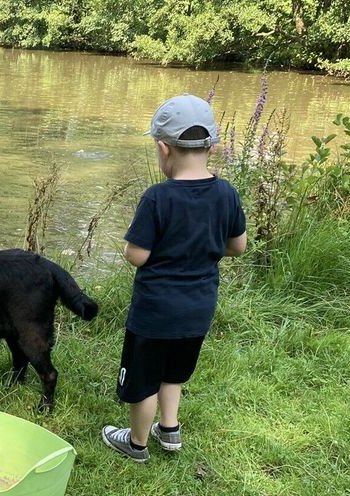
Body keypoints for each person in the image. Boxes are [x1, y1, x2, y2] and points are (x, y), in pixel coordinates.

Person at [102, 94, 247, 462]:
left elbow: (137, 255)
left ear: (164, 149)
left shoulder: (157, 198)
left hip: (154, 314)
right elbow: (238, 246)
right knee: (174, 374)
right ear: (211, 148)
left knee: (144, 382)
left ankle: (135, 444)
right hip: (198, 311)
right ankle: (169, 430)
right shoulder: (227, 193)